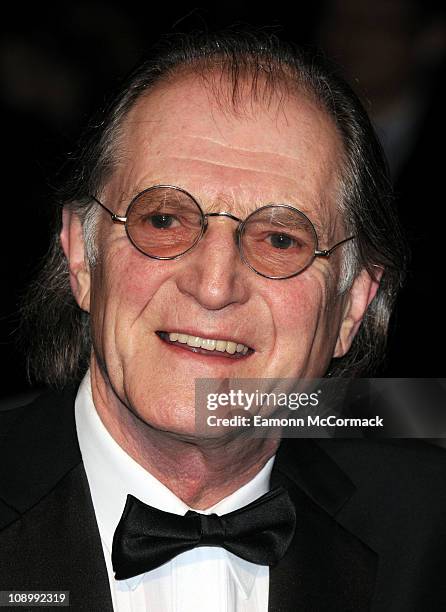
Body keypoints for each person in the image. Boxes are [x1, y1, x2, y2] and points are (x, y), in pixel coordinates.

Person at [1, 30, 445, 611]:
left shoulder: (430, 529)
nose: (213, 287)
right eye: (163, 221)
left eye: (281, 239)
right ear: (82, 258)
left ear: (352, 304)